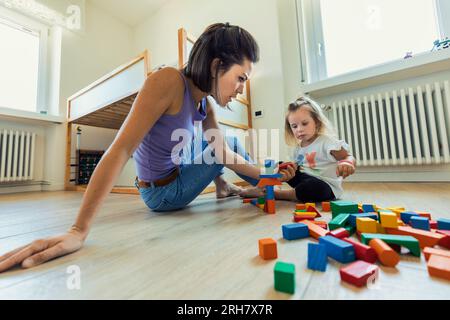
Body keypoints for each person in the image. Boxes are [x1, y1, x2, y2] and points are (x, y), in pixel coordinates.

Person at [0, 23, 291, 273]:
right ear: (216, 66)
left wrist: (272, 171)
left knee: (229, 143)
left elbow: (225, 152)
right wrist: (78, 230)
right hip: (162, 193)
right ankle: (278, 192)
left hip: (177, 174)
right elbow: (121, 149)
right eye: (241, 77)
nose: (241, 88)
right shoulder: (167, 80)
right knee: (220, 150)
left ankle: (232, 187)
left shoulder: (205, 103)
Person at [240, 96, 356, 202]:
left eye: (304, 124)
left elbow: (347, 156)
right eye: (294, 126)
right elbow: (297, 168)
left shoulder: (327, 142)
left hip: (326, 186)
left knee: (311, 187)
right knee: (280, 165)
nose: (299, 129)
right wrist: (287, 173)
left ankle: (278, 194)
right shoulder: (298, 147)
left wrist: (347, 162)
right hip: (304, 180)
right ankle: (263, 188)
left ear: (317, 122)